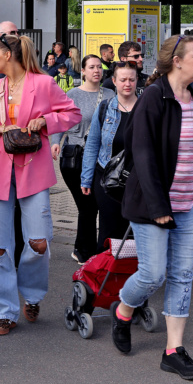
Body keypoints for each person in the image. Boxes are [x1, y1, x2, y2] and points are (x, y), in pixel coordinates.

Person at [110, 35, 193, 381]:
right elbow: (142, 154)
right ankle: (124, 310)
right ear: (177, 61)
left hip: (188, 203)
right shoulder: (154, 98)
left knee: (184, 274)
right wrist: (158, 205)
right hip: (153, 203)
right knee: (153, 274)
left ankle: (173, 350)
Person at [0, 34, 80, 336]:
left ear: (9, 55)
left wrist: (46, 122)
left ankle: (31, 294)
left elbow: (72, 113)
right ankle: (5, 311)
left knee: (38, 242)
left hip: (33, 173)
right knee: (0, 247)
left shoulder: (43, 83)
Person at [51, 54, 116, 263]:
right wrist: (55, 141)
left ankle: (85, 248)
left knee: (94, 205)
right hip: (76, 157)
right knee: (87, 205)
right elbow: (60, 119)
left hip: (103, 159)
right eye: (92, 67)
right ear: (84, 71)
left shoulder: (110, 93)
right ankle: (85, 252)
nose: (97, 71)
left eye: (99, 67)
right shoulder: (73, 94)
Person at [83, 62, 139, 250]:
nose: (127, 84)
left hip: (136, 180)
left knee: (132, 232)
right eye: (122, 79)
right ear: (114, 81)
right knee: (108, 229)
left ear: (137, 80)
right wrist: (86, 179)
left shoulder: (146, 109)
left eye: (131, 79)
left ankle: (129, 275)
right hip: (107, 179)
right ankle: (103, 275)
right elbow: (92, 145)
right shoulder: (105, 108)